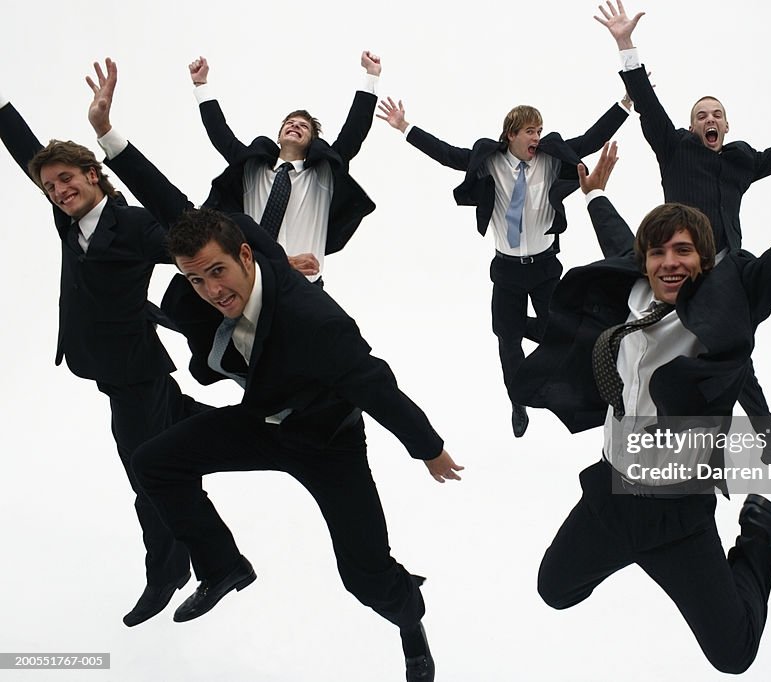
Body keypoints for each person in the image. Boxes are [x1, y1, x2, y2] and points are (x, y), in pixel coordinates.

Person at [512, 78, 771, 672]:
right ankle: (637, 553)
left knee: (734, 654)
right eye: (659, 252)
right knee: (555, 590)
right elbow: (616, 234)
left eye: (684, 251)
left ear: (703, 257)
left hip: (679, 508)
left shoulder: (730, 299)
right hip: (614, 502)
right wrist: (594, 195)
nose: (670, 262)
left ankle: (760, 534)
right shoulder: (634, 289)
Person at [87, 59, 460, 682]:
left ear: (245, 255)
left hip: (328, 442)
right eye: (193, 280)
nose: (210, 290)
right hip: (260, 420)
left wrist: (430, 449)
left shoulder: (316, 323)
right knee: (154, 462)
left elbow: (375, 384)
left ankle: (409, 619)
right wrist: (108, 134)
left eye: (218, 273)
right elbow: (171, 202)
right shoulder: (224, 250)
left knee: (363, 576)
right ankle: (222, 565)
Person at [595, 0, 771, 467]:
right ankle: (688, 435)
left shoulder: (742, 160)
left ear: (727, 124)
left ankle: (764, 439)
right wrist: (626, 46)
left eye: (717, 114)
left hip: (726, 274)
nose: (710, 120)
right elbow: (650, 106)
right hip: (681, 270)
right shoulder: (675, 148)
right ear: (691, 126)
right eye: (701, 115)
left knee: (734, 350)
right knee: (718, 353)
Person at [0, 92, 206, 627]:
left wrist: (269, 259)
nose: (59, 191)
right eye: (50, 186)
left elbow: (192, 247)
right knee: (181, 440)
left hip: (136, 375)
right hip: (116, 373)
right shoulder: (68, 220)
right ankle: (268, 420)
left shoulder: (133, 224)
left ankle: (169, 572)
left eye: (67, 179)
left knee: (148, 474)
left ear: (94, 174)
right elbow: (25, 151)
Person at [375, 93, 629, 437]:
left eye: (539, 130)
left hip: (544, 267)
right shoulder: (489, 161)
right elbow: (447, 154)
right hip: (507, 270)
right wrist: (404, 126)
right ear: (511, 135)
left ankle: (570, 388)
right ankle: (517, 398)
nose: (536, 137)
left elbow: (590, 139)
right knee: (507, 343)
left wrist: (627, 102)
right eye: (529, 131)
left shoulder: (550, 159)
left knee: (563, 330)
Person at [187, 52, 379, 284]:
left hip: (305, 286)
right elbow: (221, 134)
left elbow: (353, 131)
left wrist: (371, 77)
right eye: (289, 123)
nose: (295, 126)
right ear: (279, 136)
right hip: (253, 282)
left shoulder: (322, 176)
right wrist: (201, 86)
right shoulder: (252, 170)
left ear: (311, 141)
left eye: (303, 127)